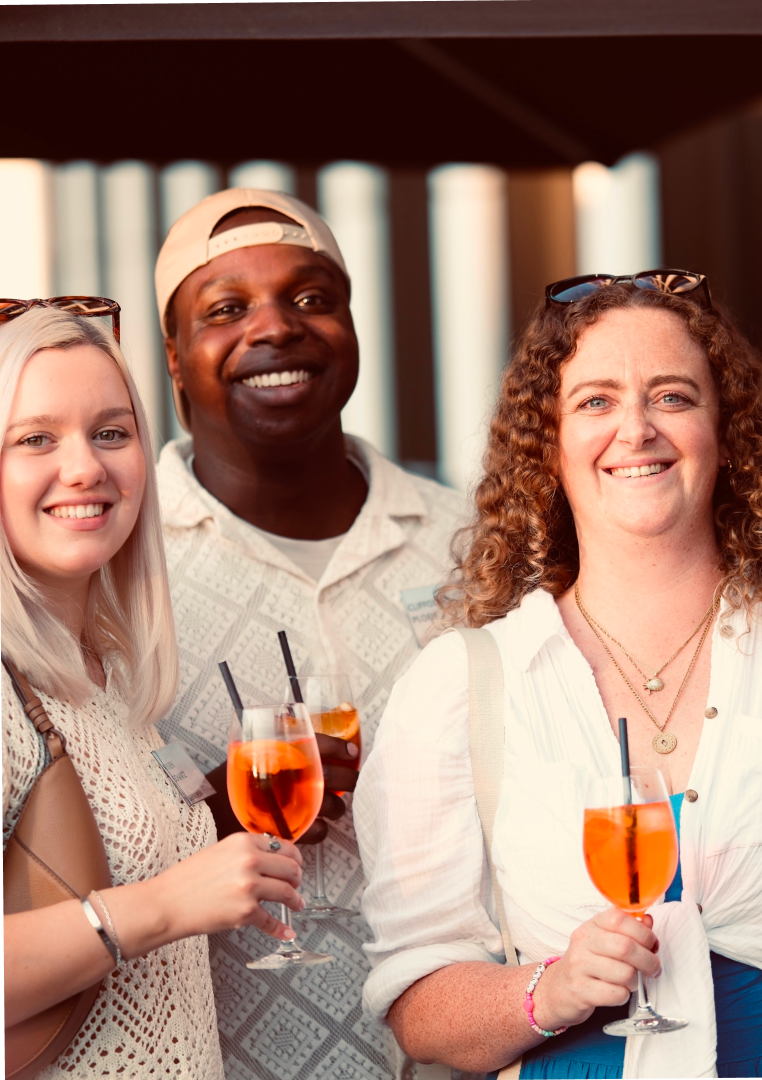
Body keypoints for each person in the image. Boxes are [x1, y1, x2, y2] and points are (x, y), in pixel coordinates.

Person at [356, 270, 762, 1078]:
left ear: (726, 431)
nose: (636, 429)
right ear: (545, 446)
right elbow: (418, 998)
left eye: (672, 396)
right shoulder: (461, 684)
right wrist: (545, 994)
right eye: (595, 401)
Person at [153, 188, 465, 1080]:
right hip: (218, 1054)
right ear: (175, 360)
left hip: (460, 1055)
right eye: (225, 309)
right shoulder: (111, 571)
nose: (276, 328)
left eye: (310, 297)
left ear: (353, 330)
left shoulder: (475, 542)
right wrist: (204, 821)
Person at [0, 307, 309, 1078]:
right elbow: (163, 902)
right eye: (36, 438)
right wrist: (168, 905)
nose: (85, 469)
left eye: (111, 432)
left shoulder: (103, 675)